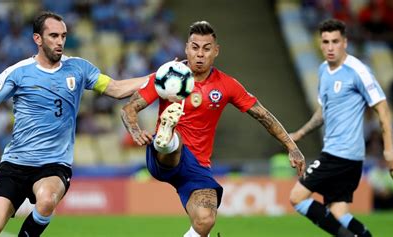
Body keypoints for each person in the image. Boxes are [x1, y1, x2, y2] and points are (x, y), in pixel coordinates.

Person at [121, 21, 306, 237]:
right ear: (186, 48)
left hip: (197, 167)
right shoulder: (168, 75)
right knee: (174, 142)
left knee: (205, 221)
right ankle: (167, 137)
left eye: (206, 48)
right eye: (195, 47)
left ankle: (169, 136)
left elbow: (263, 115)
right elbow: (129, 108)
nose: (200, 54)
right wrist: (135, 131)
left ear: (216, 51)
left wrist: (291, 146)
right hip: (163, 158)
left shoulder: (227, 85)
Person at [0, 11, 148, 237]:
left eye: (63, 36)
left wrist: (156, 77)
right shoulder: (18, 73)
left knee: (46, 200)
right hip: (15, 163)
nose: (60, 41)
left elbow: (116, 88)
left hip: (54, 163)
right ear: (38, 39)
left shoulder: (79, 68)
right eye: (54, 36)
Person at [289, 19, 393, 237]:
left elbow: (383, 109)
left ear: (345, 42)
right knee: (339, 213)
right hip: (343, 155)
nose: (330, 47)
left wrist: (389, 150)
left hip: (340, 154)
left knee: (297, 197)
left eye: (335, 41)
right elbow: (323, 111)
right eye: (326, 42)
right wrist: (301, 133)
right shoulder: (323, 70)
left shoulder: (358, 71)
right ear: (320, 44)